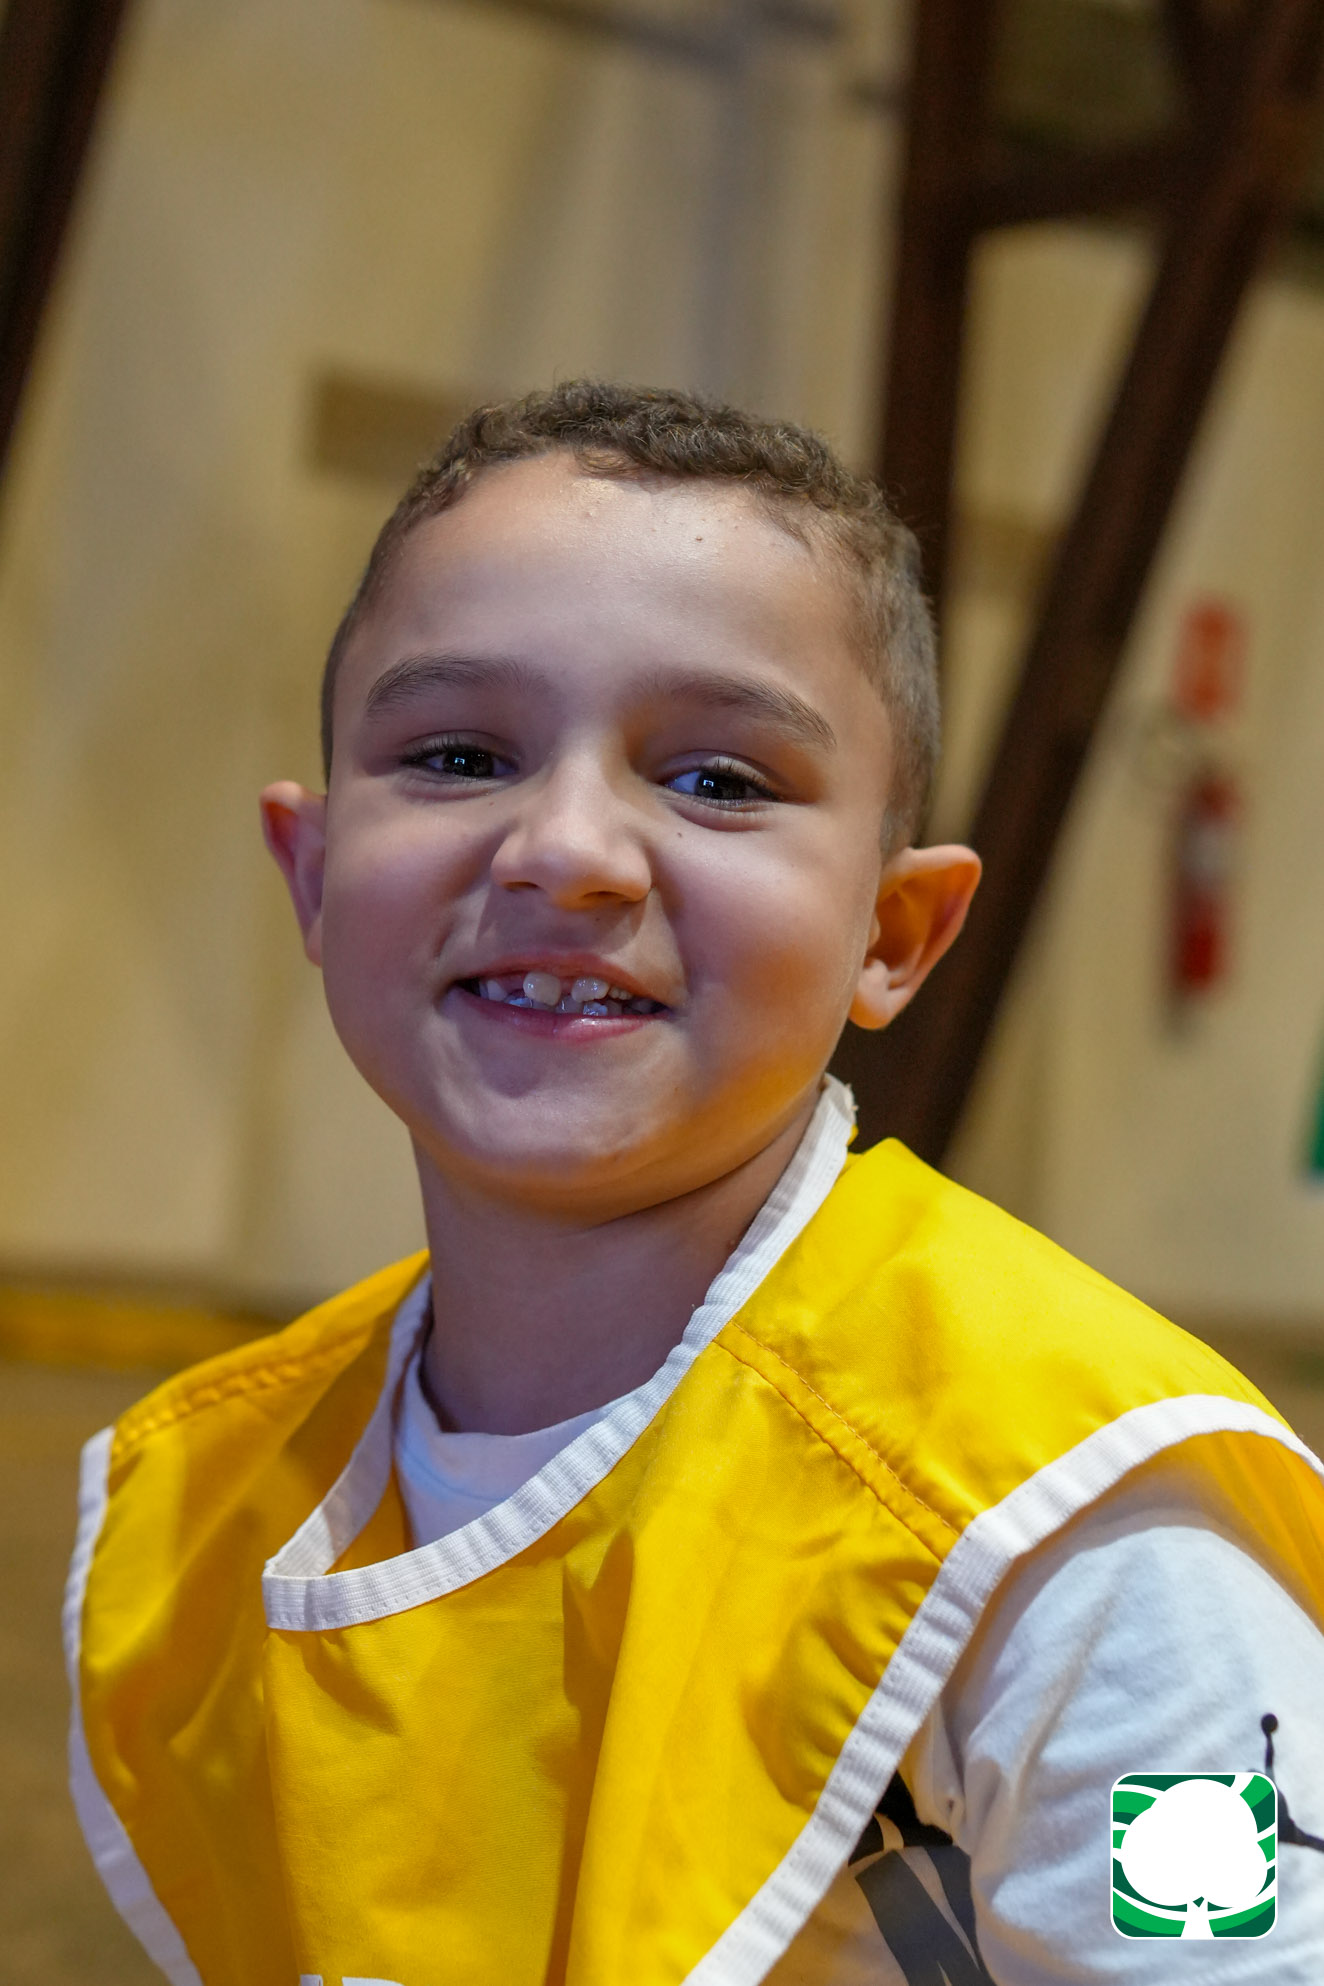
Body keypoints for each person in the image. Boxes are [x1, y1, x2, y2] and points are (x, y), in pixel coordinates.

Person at [65, 382, 1324, 1986]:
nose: (564, 849)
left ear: (895, 933)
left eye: (719, 778)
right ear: (313, 876)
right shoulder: (198, 1507)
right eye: (458, 753)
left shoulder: (1076, 1518)